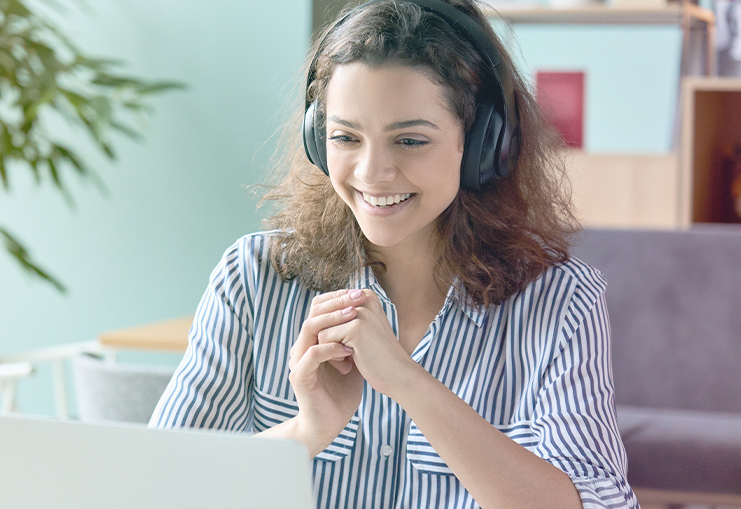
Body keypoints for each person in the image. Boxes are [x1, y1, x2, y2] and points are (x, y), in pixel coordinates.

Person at [150, 0, 638, 507]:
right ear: (318, 139)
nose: (371, 172)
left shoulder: (559, 301)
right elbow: (158, 490)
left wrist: (408, 382)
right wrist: (306, 432)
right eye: (345, 137)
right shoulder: (253, 279)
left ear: (481, 147)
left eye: (409, 140)